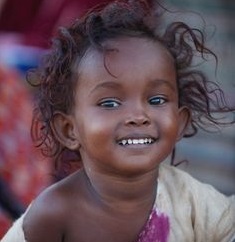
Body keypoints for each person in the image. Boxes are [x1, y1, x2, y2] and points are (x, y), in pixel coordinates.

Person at [1, 0, 235, 241]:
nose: (138, 116)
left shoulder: (194, 203)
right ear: (69, 130)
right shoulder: (53, 213)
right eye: (110, 103)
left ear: (180, 121)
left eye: (156, 100)